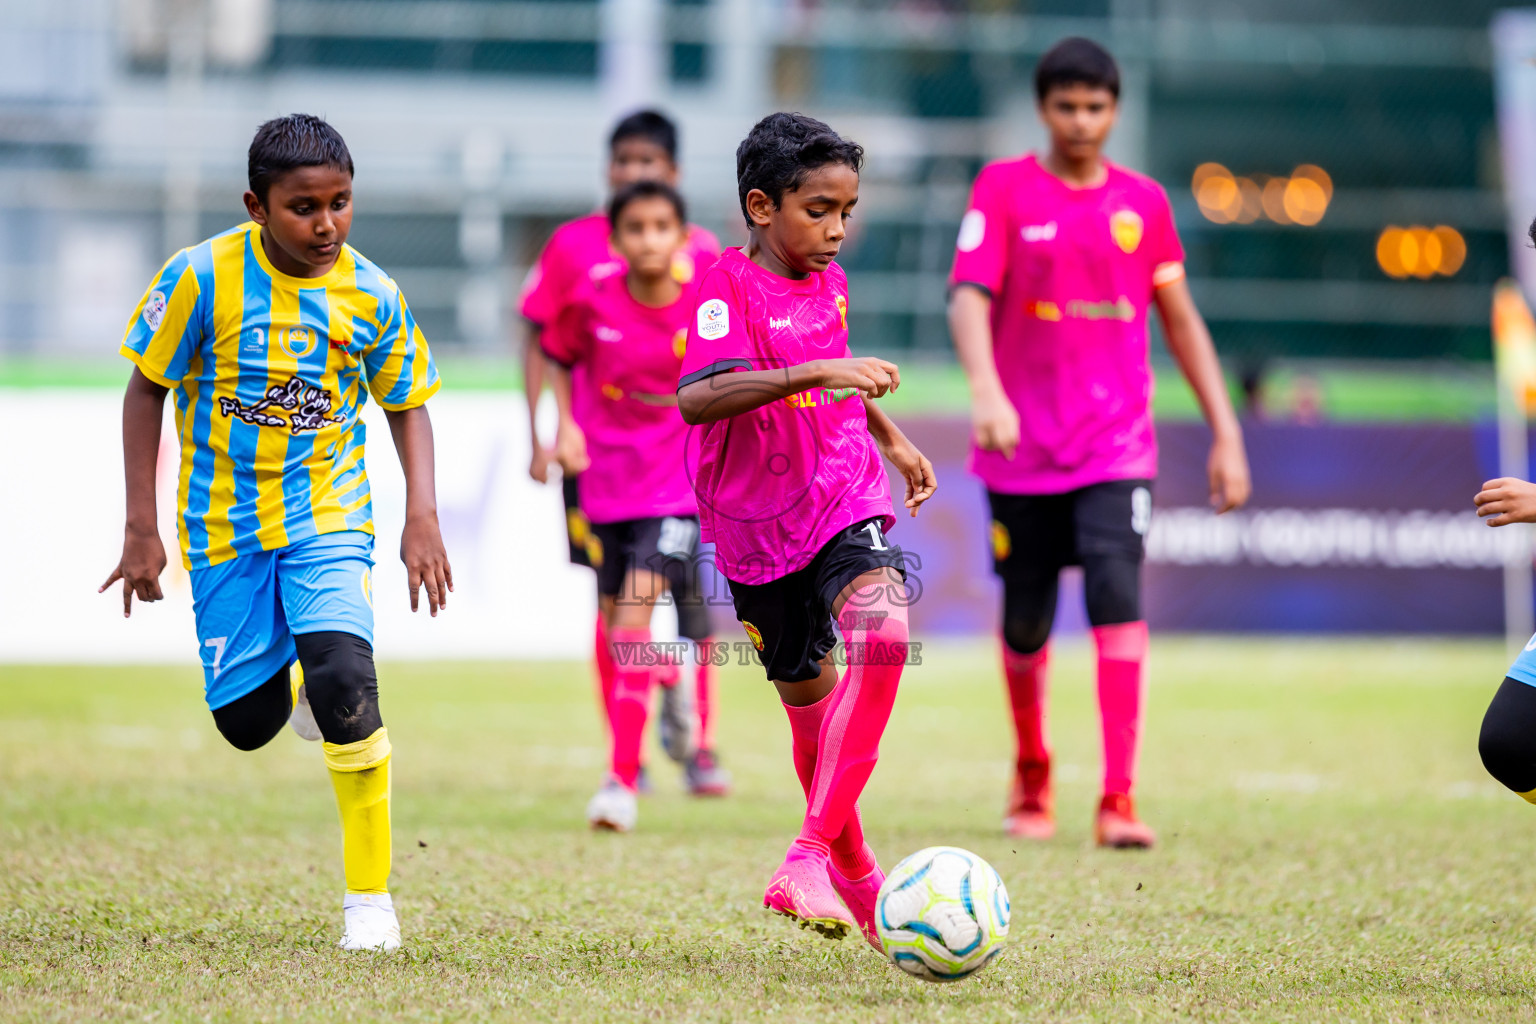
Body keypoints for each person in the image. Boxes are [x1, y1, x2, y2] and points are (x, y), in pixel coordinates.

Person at [100, 114, 451, 951]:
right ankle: (290, 691)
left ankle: (370, 902)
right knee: (248, 723)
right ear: (256, 205)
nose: (326, 225)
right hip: (222, 528)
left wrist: (421, 514)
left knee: (345, 677)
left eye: (341, 203)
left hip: (328, 516)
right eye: (304, 208)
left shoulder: (371, 291)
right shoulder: (197, 279)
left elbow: (408, 403)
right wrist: (140, 526)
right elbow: (145, 389)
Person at [947, 37, 1251, 848]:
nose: (1081, 121)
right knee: (1026, 623)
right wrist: (986, 389)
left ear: (1115, 111)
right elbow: (969, 297)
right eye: (1066, 106)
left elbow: (1181, 322)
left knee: (1119, 598)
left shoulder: (1144, 203)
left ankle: (1119, 799)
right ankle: (1032, 776)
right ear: (1043, 110)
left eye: (1096, 106)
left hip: (1117, 449)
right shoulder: (1004, 188)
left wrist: (1227, 432)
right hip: (1021, 449)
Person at [677, 112, 936, 949]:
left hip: (840, 497)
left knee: (886, 633)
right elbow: (699, 397)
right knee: (810, 711)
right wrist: (822, 368)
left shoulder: (829, 280)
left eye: (847, 211)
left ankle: (808, 852)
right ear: (761, 206)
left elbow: (835, 383)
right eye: (819, 210)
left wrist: (890, 439)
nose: (836, 231)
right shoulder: (724, 289)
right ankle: (857, 880)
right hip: (754, 527)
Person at [520, 109, 727, 794]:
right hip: (601, 466)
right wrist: (547, 430)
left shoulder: (706, 263)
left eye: (649, 165)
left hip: (683, 470)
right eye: (624, 162)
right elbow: (545, 341)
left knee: (688, 607)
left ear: (673, 176)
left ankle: (698, 748)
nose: (634, 175)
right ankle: (629, 744)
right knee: (614, 611)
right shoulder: (576, 251)